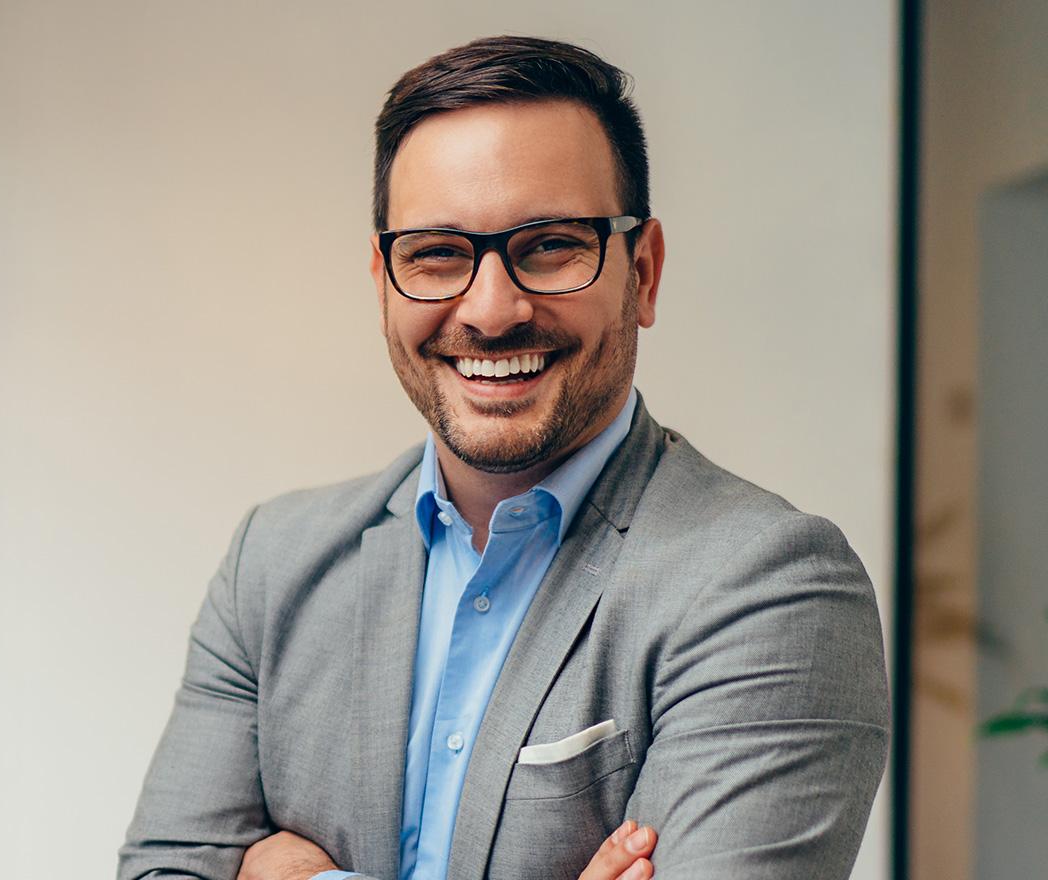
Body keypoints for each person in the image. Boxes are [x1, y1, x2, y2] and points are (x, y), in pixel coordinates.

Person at [117, 35, 888, 880]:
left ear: (645, 271)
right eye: (438, 253)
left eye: (551, 244)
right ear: (383, 282)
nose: (490, 309)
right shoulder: (273, 561)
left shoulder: (774, 588)